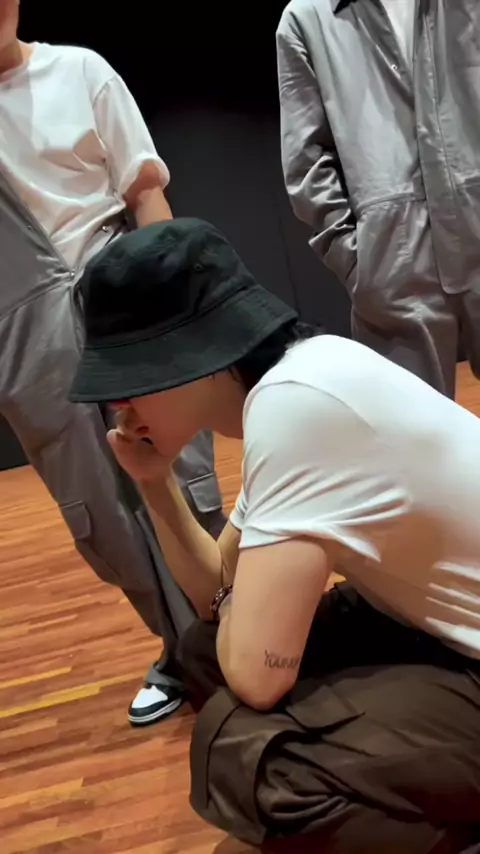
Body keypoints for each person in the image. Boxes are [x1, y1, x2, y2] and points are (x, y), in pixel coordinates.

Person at [69, 217, 480, 852]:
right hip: (438, 625)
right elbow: (216, 590)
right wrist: (154, 483)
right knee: (205, 656)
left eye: (129, 382)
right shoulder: (303, 374)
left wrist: (240, 610)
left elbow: (259, 676)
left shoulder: (295, 406)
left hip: (460, 646)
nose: (121, 409)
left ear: (190, 361)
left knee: (257, 764)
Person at [0, 0, 224, 726]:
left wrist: (171, 309)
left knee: (184, 481)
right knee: (100, 516)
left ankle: (237, 625)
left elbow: (145, 194)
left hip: (123, 303)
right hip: (31, 344)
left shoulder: (79, 71)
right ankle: (182, 649)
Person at [276, 0, 480, 400]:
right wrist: (360, 265)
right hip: (393, 265)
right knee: (414, 431)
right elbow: (306, 162)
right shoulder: (307, 18)